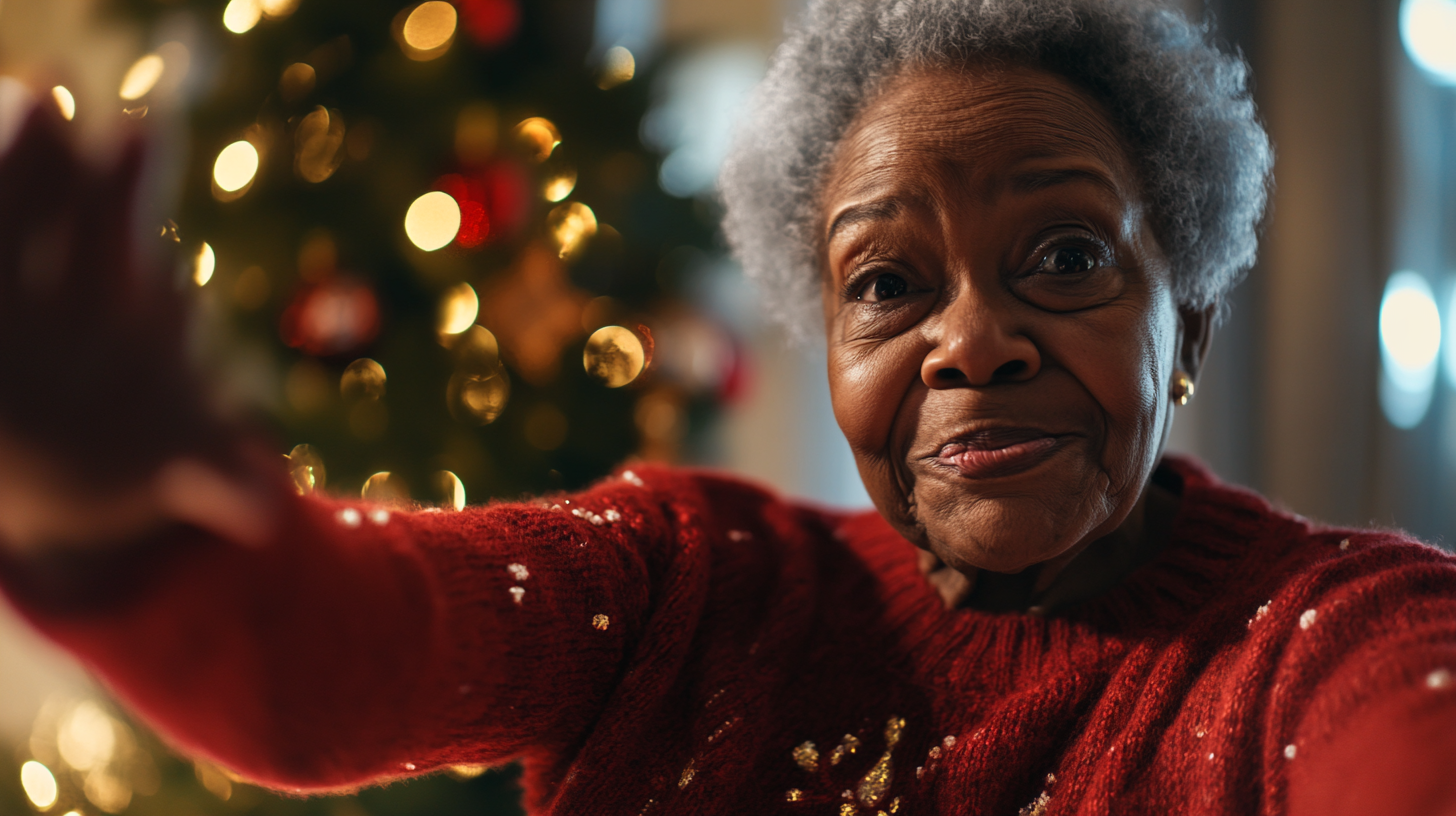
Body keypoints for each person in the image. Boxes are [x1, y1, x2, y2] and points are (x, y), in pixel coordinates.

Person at [2, 0, 1455, 814]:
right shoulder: (688, 586)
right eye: (887, 285)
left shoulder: (1333, 644)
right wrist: (116, 512)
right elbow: (357, 654)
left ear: (1186, 314)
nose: (976, 342)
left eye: (1066, 258)